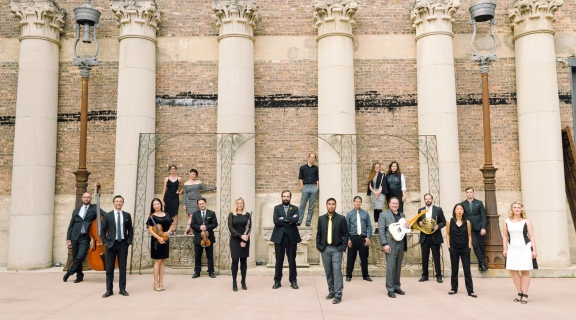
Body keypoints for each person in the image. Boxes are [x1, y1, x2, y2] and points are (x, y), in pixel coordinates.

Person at [64, 192, 107, 283]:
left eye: (88, 197)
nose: (86, 199)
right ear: (82, 198)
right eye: (84, 197)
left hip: (86, 236)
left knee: (81, 256)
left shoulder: (95, 208)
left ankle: (70, 271)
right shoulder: (76, 210)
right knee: (76, 257)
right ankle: (79, 276)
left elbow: (106, 216)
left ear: (91, 199)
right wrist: (68, 238)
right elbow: (71, 225)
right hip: (75, 236)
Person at [502, 202, 537, 304]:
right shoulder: (506, 221)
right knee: (514, 272)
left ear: (522, 209)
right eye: (514, 207)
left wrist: (534, 250)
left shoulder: (527, 221)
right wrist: (505, 249)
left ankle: (525, 294)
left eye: (519, 207)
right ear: (511, 209)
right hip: (512, 249)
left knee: (525, 271)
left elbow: (532, 237)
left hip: (525, 248)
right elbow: (505, 236)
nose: (517, 209)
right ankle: (519, 293)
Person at [316, 198, 349, 304]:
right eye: (329, 204)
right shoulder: (321, 219)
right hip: (325, 249)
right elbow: (319, 234)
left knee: (337, 269)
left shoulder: (341, 218)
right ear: (326, 205)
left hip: (336, 249)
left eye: (333, 204)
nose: (331, 206)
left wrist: (343, 247)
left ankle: (338, 294)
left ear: (336, 206)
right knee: (328, 271)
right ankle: (332, 291)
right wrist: (319, 246)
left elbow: (346, 234)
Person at [101, 195, 133, 298]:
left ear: (123, 203)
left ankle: (122, 289)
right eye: (116, 201)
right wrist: (105, 241)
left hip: (123, 244)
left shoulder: (127, 215)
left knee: (122, 268)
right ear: (113, 203)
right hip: (111, 244)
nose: (118, 203)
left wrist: (128, 241)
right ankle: (109, 290)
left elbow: (130, 230)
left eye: (120, 201)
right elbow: (102, 230)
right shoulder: (108, 216)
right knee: (109, 269)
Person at [270, 190, 302, 289]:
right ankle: (277, 281)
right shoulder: (277, 208)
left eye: (288, 196)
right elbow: (275, 221)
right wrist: (289, 220)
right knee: (279, 260)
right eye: (284, 196)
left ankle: (293, 281)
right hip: (279, 237)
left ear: (290, 198)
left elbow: (296, 220)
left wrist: (282, 219)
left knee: (292, 260)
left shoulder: (295, 208)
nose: (286, 198)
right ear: (281, 197)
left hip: (291, 237)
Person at [378, 197, 408, 298]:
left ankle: (396, 286)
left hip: (401, 243)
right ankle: (390, 289)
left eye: (397, 203)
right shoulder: (383, 215)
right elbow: (381, 231)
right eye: (393, 203)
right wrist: (384, 244)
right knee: (391, 267)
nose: (395, 205)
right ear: (389, 204)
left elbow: (403, 229)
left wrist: (407, 227)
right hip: (390, 244)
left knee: (398, 266)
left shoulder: (402, 215)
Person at [446, 203, 476, 297]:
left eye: (461, 209)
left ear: (463, 211)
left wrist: (469, 247)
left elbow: (469, 235)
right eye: (458, 209)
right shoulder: (449, 221)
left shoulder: (467, 222)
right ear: (454, 211)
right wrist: (449, 246)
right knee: (454, 270)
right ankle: (454, 288)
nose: (459, 210)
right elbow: (447, 234)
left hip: (464, 249)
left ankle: (470, 290)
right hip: (454, 248)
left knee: (467, 270)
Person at [417, 193, 446, 283]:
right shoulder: (420, 210)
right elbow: (418, 221)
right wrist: (419, 223)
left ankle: (438, 276)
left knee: (436, 257)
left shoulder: (438, 209)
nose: (428, 200)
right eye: (426, 199)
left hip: (435, 236)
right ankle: (425, 275)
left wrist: (438, 226)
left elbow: (443, 222)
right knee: (424, 257)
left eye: (429, 199)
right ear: (424, 200)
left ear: (432, 199)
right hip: (424, 237)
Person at [147, 198, 173, 291]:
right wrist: (159, 238)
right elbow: (150, 230)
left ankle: (161, 281)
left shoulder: (167, 214)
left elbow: (171, 225)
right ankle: (155, 282)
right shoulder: (151, 217)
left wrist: (168, 232)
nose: (156, 206)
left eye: (157, 204)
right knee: (157, 261)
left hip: (165, 238)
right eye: (154, 205)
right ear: (152, 206)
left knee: (163, 261)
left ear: (161, 204)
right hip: (156, 241)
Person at [345, 196, 372, 282]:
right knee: (351, 257)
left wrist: (368, 237)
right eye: (356, 201)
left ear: (361, 203)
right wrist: (348, 239)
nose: (358, 203)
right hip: (353, 238)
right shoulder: (349, 214)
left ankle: (365, 275)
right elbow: (346, 228)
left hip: (363, 238)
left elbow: (369, 226)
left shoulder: (365, 214)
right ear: (353, 202)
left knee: (364, 258)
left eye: (359, 202)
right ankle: (348, 275)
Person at [461, 187, 488, 272]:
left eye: (471, 192)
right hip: (469, 228)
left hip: (479, 227)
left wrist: (483, 227)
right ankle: (483, 263)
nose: (469, 193)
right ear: (466, 193)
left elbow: (483, 216)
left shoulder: (479, 203)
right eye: (468, 192)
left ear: (473, 193)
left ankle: (481, 264)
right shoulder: (462, 204)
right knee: (475, 245)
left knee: (481, 246)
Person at [228, 197, 251, 291]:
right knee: (235, 260)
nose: (240, 205)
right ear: (236, 204)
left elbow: (249, 228)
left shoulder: (247, 215)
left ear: (243, 204)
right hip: (235, 240)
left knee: (243, 261)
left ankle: (243, 281)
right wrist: (240, 236)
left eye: (241, 203)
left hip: (245, 240)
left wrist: (244, 240)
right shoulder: (231, 215)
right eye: (238, 203)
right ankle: (234, 282)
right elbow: (231, 228)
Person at [190, 198, 218, 278]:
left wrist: (206, 227)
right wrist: (199, 227)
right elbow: (192, 225)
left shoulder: (211, 213)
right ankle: (197, 272)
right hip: (199, 237)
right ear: (198, 205)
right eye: (200, 204)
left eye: (203, 203)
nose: (202, 205)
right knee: (198, 256)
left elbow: (215, 224)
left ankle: (211, 271)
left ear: (205, 203)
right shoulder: (195, 214)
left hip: (209, 238)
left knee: (210, 256)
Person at [183, 169, 216, 234]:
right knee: (190, 216)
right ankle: (191, 231)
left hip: (197, 202)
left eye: (195, 175)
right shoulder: (185, 184)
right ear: (190, 174)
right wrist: (184, 204)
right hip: (189, 202)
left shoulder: (198, 182)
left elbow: (205, 189)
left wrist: (215, 187)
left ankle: (186, 231)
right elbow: (184, 195)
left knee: (193, 216)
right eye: (193, 174)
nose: (194, 176)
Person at [298, 153, 319, 227]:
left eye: (313, 157)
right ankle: (299, 221)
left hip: (313, 187)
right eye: (311, 157)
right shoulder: (302, 167)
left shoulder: (316, 168)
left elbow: (317, 179)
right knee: (302, 205)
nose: (312, 158)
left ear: (314, 159)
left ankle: (308, 222)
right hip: (306, 187)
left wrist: (317, 188)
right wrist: (302, 187)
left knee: (311, 206)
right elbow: (300, 178)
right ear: (308, 157)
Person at [367, 162, 388, 234]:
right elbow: (370, 186)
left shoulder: (382, 175)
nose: (377, 168)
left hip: (380, 194)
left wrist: (378, 193)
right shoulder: (371, 175)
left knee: (379, 209)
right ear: (374, 168)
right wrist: (374, 192)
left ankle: (382, 226)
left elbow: (383, 185)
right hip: (373, 194)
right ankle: (376, 227)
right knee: (375, 210)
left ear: (379, 167)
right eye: (376, 167)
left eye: (378, 167)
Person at [162, 164, 182, 233]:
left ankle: (174, 230)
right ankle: (168, 229)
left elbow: (184, 186)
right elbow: (164, 189)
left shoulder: (179, 178)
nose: (172, 170)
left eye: (173, 168)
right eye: (171, 169)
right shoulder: (166, 179)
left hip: (175, 198)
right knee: (167, 214)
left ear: (176, 170)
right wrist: (162, 200)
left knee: (175, 214)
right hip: (167, 197)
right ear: (169, 170)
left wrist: (180, 192)